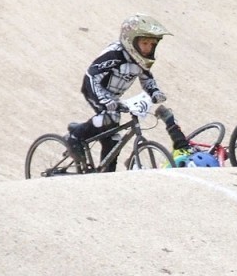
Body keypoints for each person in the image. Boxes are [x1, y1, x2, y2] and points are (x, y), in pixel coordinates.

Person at [66, 13, 170, 171]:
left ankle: (107, 175)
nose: (148, 48)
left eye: (152, 44)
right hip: (94, 89)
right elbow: (91, 76)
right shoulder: (115, 54)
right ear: (131, 40)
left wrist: (154, 92)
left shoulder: (140, 59)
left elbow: (147, 78)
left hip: (113, 96)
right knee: (109, 117)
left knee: (113, 138)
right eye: (145, 43)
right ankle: (75, 136)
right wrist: (104, 100)